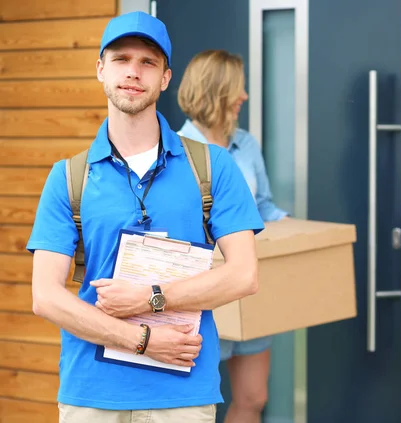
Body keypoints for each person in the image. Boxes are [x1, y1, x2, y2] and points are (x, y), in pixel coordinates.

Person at [27, 12, 264, 423]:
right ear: (101, 69)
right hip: (92, 396)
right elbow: (45, 296)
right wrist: (143, 339)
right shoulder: (68, 177)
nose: (133, 72)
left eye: (148, 62)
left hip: (184, 395)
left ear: (166, 78)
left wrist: (151, 297)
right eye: (121, 60)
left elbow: (244, 274)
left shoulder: (212, 167)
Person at [177, 50, 288, 423]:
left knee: (253, 397)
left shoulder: (247, 145)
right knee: (193, 406)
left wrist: (302, 235)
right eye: (238, 89)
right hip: (200, 291)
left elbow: (265, 208)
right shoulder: (175, 151)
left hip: (247, 288)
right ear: (216, 92)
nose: (244, 97)